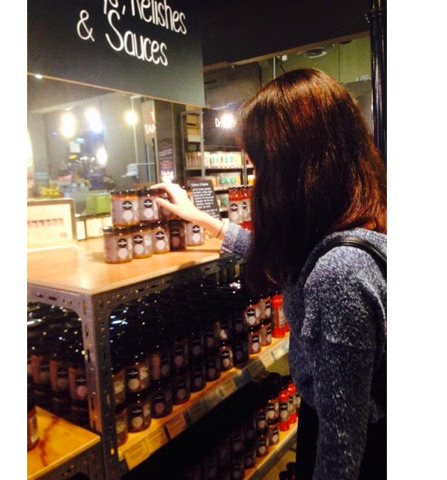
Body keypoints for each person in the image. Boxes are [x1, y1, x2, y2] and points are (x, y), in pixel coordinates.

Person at [151, 67, 387, 480]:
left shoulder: (338, 273)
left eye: (261, 165)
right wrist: (201, 218)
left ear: (297, 170)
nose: (257, 180)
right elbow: (285, 265)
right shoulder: (353, 229)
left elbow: (342, 443)